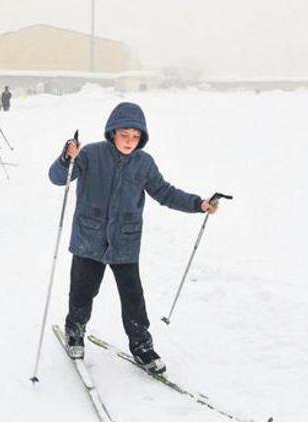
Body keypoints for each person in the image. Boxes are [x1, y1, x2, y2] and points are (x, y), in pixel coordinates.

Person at [48, 102, 219, 374]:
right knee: (82, 291)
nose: (129, 141)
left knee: (133, 297)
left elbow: (165, 192)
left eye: (135, 137)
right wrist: (67, 158)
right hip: (88, 238)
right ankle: (75, 332)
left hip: (124, 241)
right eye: (124, 135)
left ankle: (141, 345)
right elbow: (57, 178)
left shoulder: (144, 163)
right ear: (113, 132)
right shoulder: (90, 154)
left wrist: (199, 204)